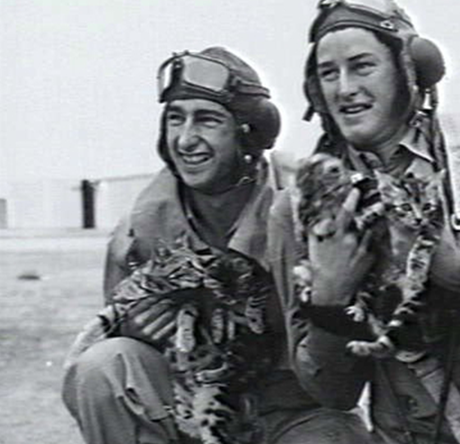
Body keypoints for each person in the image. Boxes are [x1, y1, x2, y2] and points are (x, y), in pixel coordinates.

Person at [61, 46, 371, 444]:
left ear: (250, 133)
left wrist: (330, 298)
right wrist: (137, 331)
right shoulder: (139, 231)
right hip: (190, 408)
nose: (186, 140)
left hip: (293, 412)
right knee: (104, 364)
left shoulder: (303, 207)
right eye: (175, 119)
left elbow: (341, 386)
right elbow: (97, 380)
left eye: (207, 120)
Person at [266, 0, 460, 444]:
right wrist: (330, 295)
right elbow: (332, 392)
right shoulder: (298, 208)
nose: (345, 88)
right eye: (328, 73)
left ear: (410, 71)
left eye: (362, 66)